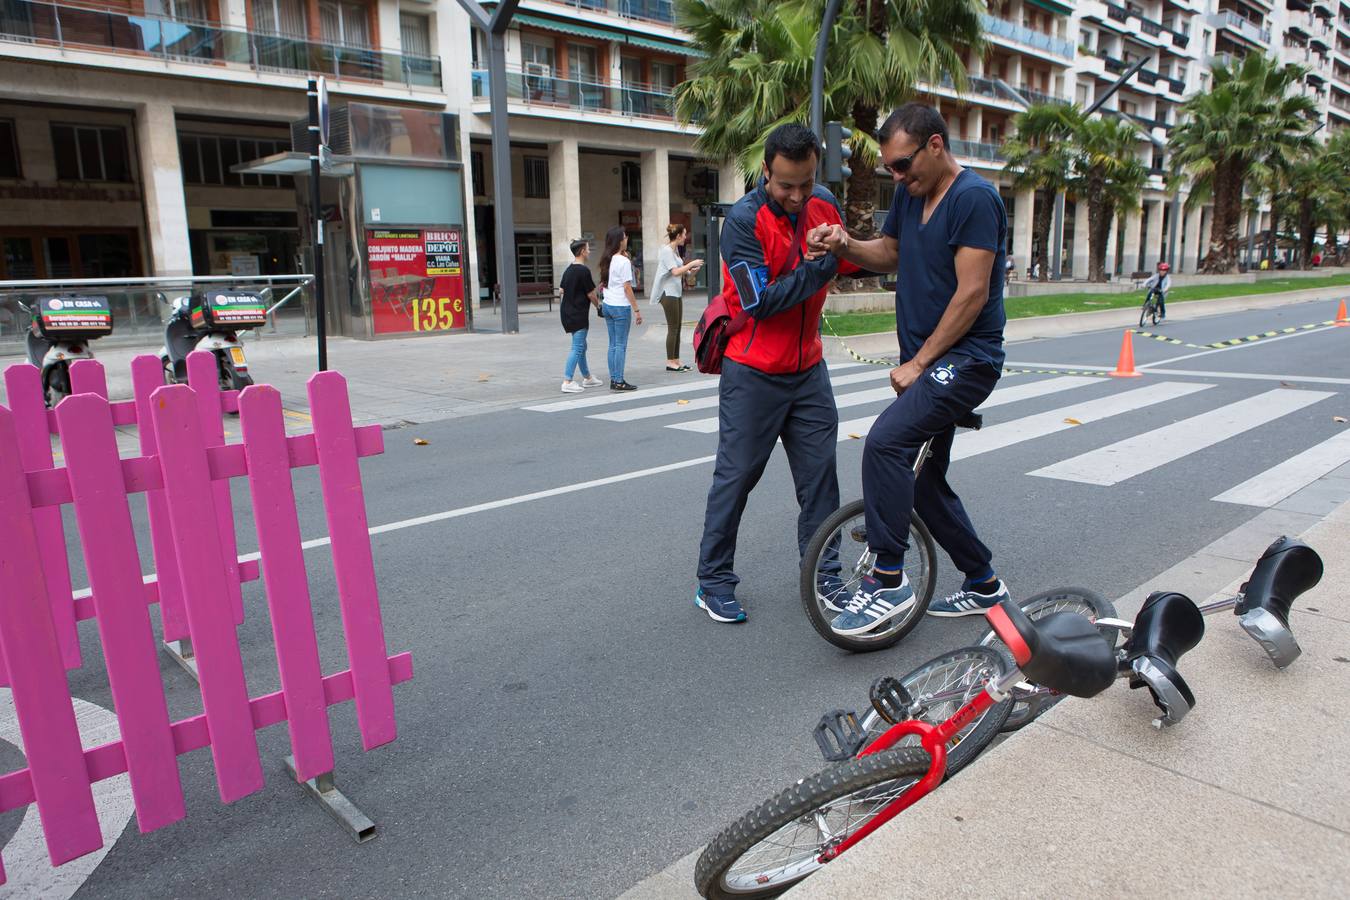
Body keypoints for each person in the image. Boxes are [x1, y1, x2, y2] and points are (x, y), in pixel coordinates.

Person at [808, 102, 1010, 635]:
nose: (897, 176)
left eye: (902, 164)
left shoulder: (975, 199)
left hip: (966, 361)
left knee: (885, 444)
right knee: (921, 484)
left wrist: (919, 362)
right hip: (926, 365)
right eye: (890, 168)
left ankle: (888, 580)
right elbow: (889, 251)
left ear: (936, 145)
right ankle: (985, 582)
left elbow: (973, 294)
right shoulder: (909, 193)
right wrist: (845, 242)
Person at [693, 123, 859, 624]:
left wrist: (841, 246)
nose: (797, 195)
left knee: (820, 482)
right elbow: (758, 302)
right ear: (766, 171)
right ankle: (713, 581)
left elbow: (850, 260)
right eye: (786, 184)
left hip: (809, 370)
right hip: (752, 373)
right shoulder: (743, 222)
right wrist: (820, 265)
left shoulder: (824, 202)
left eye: (806, 183)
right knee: (736, 477)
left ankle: (825, 578)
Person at [649, 223, 705, 372]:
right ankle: (670, 362)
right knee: (673, 328)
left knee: (677, 327)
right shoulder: (667, 251)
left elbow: (684, 274)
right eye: (684, 234)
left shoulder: (675, 252)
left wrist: (693, 271)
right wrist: (691, 263)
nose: (685, 237)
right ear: (678, 236)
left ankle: (676, 360)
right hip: (668, 293)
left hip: (676, 292)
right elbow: (674, 272)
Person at [597, 225, 643, 391]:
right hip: (620, 307)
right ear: (619, 240)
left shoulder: (607, 259)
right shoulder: (623, 261)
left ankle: (613, 378)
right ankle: (619, 380)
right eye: (624, 237)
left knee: (613, 344)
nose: (626, 239)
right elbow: (627, 287)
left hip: (608, 305)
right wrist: (636, 310)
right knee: (620, 345)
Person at [558, 239, 605, 393]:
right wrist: (598, 305)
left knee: (582, 346)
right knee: (578, 347)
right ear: (582, 252)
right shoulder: (583, 271)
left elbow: (561, 290)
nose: (589, 251)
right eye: (587, 249)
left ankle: (588, 378)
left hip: (567, 312)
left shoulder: (569, 269)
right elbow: (591, 293)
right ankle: (567, 380)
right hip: (578, 314)